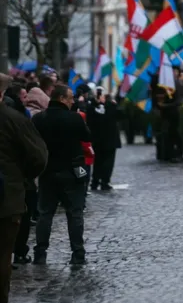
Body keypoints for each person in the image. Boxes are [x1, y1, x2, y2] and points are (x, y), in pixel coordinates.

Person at [0, 74, 48, 302]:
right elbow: (38, 157)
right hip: (6, 199)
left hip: (8, 195)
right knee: (2, 256)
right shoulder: (14, 120)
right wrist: (23, 179)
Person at [32, 84, 91, 265]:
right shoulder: (74, 118)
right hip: (71, 172)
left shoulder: (39, 119)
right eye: (71, 97)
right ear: (63, 99)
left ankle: (40, 253)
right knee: (74, 213)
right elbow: (87, 137)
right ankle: (78, 253)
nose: (73, 101)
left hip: (47, 172)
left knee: (45, 214)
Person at [87, 88, 120, 191]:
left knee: (105, 163)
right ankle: (98, 182)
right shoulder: (92, 106)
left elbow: (120, 116)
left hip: (106, 139)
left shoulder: (110, 106)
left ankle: (102, 181)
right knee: (99, 162)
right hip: (100, 139)